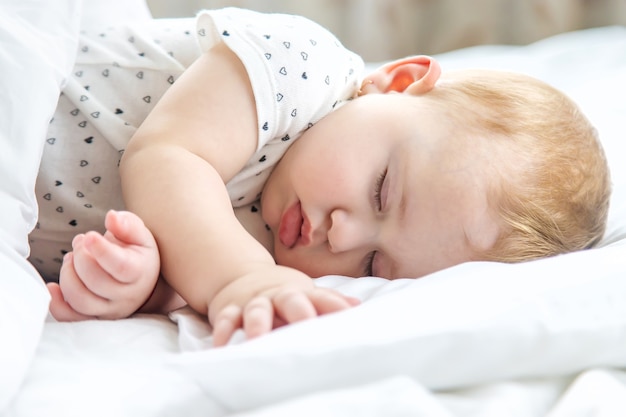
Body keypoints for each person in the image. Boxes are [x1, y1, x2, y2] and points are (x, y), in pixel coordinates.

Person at [31, 8, 611, 346]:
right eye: (382, 190)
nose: (343, 236)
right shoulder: (301, 71)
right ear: (398, 83)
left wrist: (134, 283)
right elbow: (166, 159)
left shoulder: (279, 257)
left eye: (374, 266)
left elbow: (180, 250)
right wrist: (242, 281)